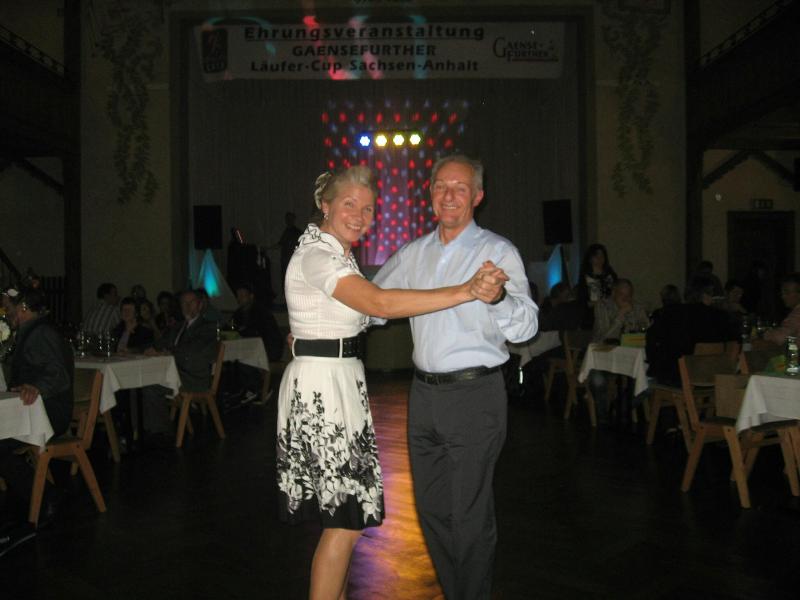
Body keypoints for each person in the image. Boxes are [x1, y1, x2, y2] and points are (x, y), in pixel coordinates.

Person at [276, 164, 510, 600]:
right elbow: (379, 303)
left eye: (368, 209)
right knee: (343, 522)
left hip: (337, 380)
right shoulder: (319, 255)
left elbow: (365, 312)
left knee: (345, 520)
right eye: (349, 204)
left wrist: (305, 336)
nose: (360, 216)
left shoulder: (336, 254)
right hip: (324, 389)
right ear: (325, 204)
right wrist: (466, 290)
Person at [372, 155, 538, 600]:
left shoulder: (497, 252)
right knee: (431, 511)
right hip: (423, 396)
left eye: (460, 187)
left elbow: (526, 329)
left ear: (477, 196)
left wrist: (498, 297)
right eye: (441, 186)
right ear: (429, 193)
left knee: (468, 515)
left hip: (475, 395)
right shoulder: (413, 253)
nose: (449, 195)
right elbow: (372, 304)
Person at [0, 287, 73, 554]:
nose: (4, 312)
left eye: (7, 307)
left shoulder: (41, 333)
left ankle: (47, 496)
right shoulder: (27, 332)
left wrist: (36, 386)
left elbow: (59, 375)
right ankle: (42, 494)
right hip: (33, 410)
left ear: (22, 308)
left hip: (50, 413)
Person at [142, 290, 218, 436]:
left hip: (194, 378)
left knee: (151, 386)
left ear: (200, 305)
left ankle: (160, 432)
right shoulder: (178, 327)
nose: (188, 306)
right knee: (142, 379)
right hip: (176, 373)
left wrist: (168, 353)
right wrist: (138, 349)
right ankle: (146, 430)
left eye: (192, 302)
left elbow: (193, 351)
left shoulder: (208, 327)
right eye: (184, 303)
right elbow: (159, 343)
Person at [646, 275, 738, 385]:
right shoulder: (722, 317)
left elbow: (651, 337)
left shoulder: (673, 313)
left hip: (680, 378)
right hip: (718, 377)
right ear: (708, 295)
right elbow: (736, 342)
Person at [592, 279, 649, 343]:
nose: (626, 298)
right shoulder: (602, 306)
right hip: (603, 347)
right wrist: (621, 314)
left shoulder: (637, 307)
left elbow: (647, 330)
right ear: (613, 293)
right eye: (621, 294)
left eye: (629, 295)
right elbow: (604, 338)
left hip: (630, 346)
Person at [575, 243, 617, 328]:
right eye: (596, 256)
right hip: (592, 316)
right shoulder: (585, 277)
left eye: (602, 256)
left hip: (610, 313)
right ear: (590, 258)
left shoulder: (610, 274)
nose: (599, 259)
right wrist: (596, 303)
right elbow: (582, 301)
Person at [764, 273, 800, 345]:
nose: (783, 296)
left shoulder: (797, 314)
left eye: (787, 292)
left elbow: (780, 337)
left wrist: (765, 333)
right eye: (782, 292)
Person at [277, 211, 303, 286]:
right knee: (285, 280)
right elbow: (280, 244)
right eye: (287, 219)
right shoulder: (287, 231)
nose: (288, 221)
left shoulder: (297, 232)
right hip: (286, 260)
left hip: (292, 261)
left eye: (290, 219)